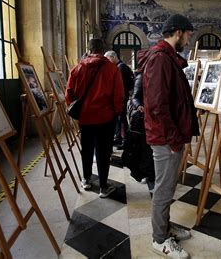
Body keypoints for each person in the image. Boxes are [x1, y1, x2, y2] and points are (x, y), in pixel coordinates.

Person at [141, 14, 199, 258]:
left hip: (168, 135)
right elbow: (157, 106)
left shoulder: (167, 58)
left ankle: (164, 227)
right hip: (165, 137)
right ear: (178, 33)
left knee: (167, 187)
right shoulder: (161, 60)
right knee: (164, 189)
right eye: (187, 35)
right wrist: (175, 137)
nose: (188, 39)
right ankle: (159, 239)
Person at [65, 38, 124, 199]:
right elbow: (118, 94)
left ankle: (86, 179)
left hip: (85, 118)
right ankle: (104, 187)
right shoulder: (112, 69)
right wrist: (117, 112)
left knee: (87, 149)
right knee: (103, 152)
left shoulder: (77, 69)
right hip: (105, 118)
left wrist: (78, 111)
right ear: (102, 49)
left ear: (89, 49)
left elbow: (68, 94)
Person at [121, 69, 155, 184]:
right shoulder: (142, 76)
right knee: (143, 146)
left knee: (150, 147)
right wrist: (140, 106)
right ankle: (142, 172)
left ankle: (149, 171)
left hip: (156, 117)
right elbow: (135, 97)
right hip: (144, 117)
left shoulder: (159, 74)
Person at [104, 50, 134, 150]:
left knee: (122, 120)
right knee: (119, 119)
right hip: (122, 96)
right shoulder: (120, 67)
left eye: (107, 58)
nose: (107, 61)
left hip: (121, 97)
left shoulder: (121, 68)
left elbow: (120, 85)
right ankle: (119, 138)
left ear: (112, 57)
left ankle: (124, 140)